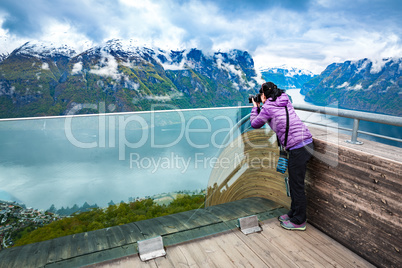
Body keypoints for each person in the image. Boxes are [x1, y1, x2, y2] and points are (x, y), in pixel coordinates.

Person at [250, 82, 314, 231]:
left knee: (297, 186)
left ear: (264, 95)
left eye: (261, 95)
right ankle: (293, 213)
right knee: (293, 183)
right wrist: (263, 101)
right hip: (306, 143)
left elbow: (255, 124)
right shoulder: (285, 100)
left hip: (299, 147)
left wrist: (255, 107)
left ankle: (299, 221)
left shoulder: (268, 107)